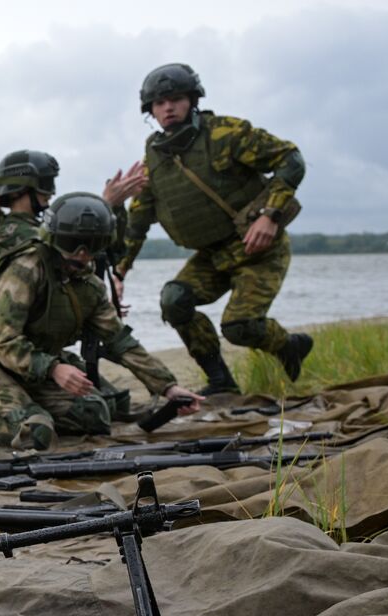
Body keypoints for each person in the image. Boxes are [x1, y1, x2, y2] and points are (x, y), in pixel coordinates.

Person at [0, 193, 202, 450]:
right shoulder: (26, 269)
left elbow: (120, 341)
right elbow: (5, 343)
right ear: (54, 238)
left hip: (34, 367)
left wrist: (168, 387)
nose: (82, 253)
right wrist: (54, 368)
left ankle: (25, 407)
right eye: (73, 244)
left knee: (95, 415)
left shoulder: (90, 286)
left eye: (92, 245)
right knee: (34, 433)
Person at [114, 63, 311, 394]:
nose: (168, 108)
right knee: (174, 300)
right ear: (151, 111)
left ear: (192, 100)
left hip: (259, 248)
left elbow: (290, 159)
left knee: (239, 327)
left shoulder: (225, 134)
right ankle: (220, 381)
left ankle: (290, 346)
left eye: (176, 99)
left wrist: (270, 215)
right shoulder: (155, 161)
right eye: (159, 103)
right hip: (213, 255)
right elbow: (138, 222)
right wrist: (119, 273)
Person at [0, 152, 146, 445]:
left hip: (33, 354)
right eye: (45, 187)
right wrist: (104, 205)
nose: (50, 194)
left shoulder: (33, 231)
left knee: (103, 410)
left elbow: (95, 254)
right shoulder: (16, 236)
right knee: (34, 431)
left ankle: (26, 404)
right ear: (22, 190)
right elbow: (65, 245)